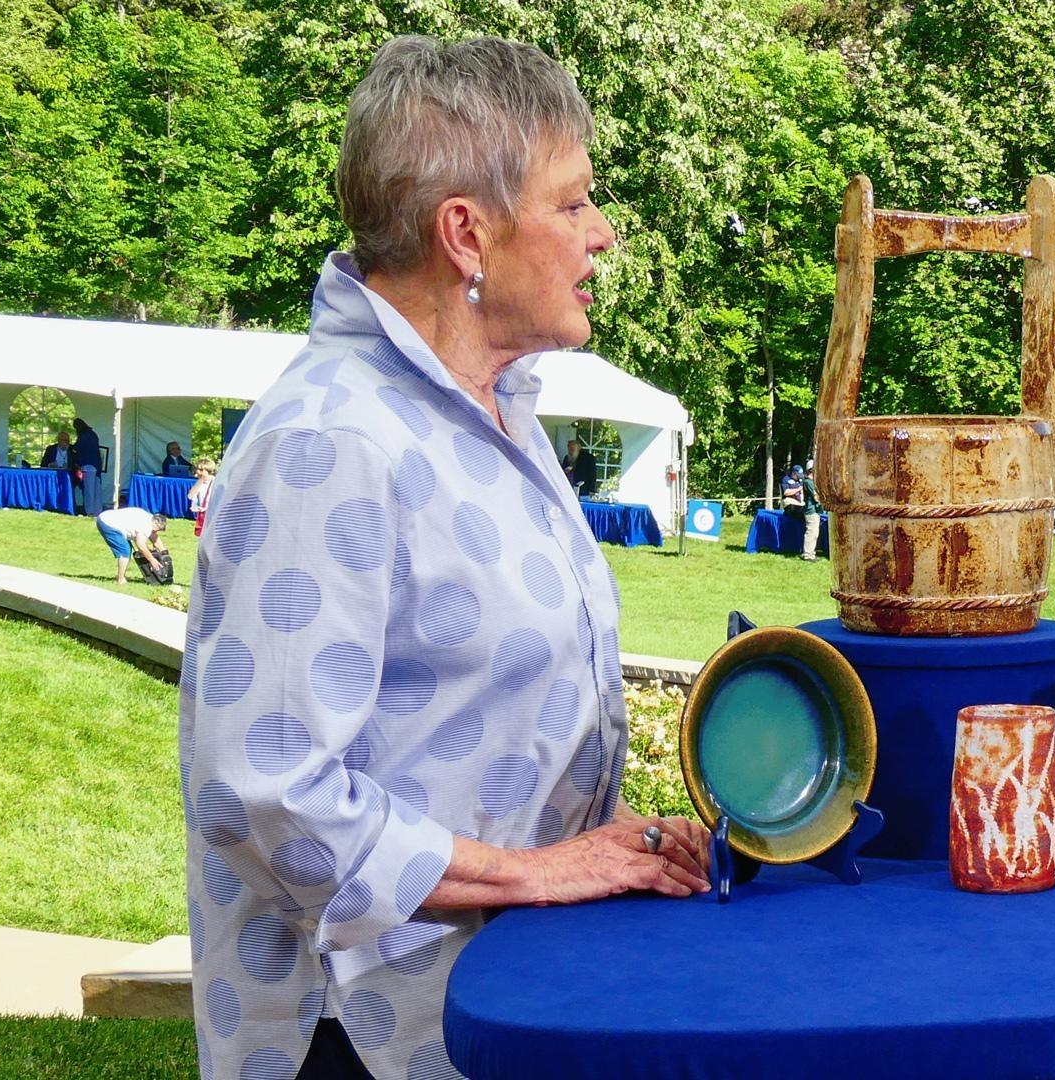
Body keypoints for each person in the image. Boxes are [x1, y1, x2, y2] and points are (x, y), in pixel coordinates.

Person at [181, 37, 711, 1080]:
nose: (600, 236)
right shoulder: (331, 443)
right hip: (366, 1036)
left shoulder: (498, 410)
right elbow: (265, 792)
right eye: (572, 205)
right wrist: (533, 873)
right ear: (466, 234)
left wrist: (603, 846)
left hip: (490, 1006)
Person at [96, 506, 166, 585]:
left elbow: (155, 539)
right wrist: (152, 560)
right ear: (156, 522)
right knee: (125, 551)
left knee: (129, 549)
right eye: (156, 530)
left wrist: (165, 555)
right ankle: (120, 580)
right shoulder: (146, 526)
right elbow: (140, 545)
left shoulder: (150, 519)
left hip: (106, 517)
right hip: (107, 523)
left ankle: (121, 577)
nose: (155, 532)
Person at [72, 417, 103, 515]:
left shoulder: (83, 436)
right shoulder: (93, 434)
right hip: (96, 465)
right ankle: (98, 510)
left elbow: (77, 448)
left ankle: (89, 511)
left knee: (88, 490)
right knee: (96, 490)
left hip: (87, 465)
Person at [799, 461, 821, 561]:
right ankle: (807, 554)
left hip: (814, 511)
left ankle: (811, 553)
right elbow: (816, 497)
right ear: (811, 469)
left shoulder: (811, 482)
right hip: (810, 511)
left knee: (815, 533)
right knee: (811, 533)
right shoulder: (808, 482)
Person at [187, 459, 215, 537]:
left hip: (212, 513)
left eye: (199, 470)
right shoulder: (200, 482)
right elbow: (190, 495)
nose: (197, 473)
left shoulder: (215, 482)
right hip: (202, 513)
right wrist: (201, 480)